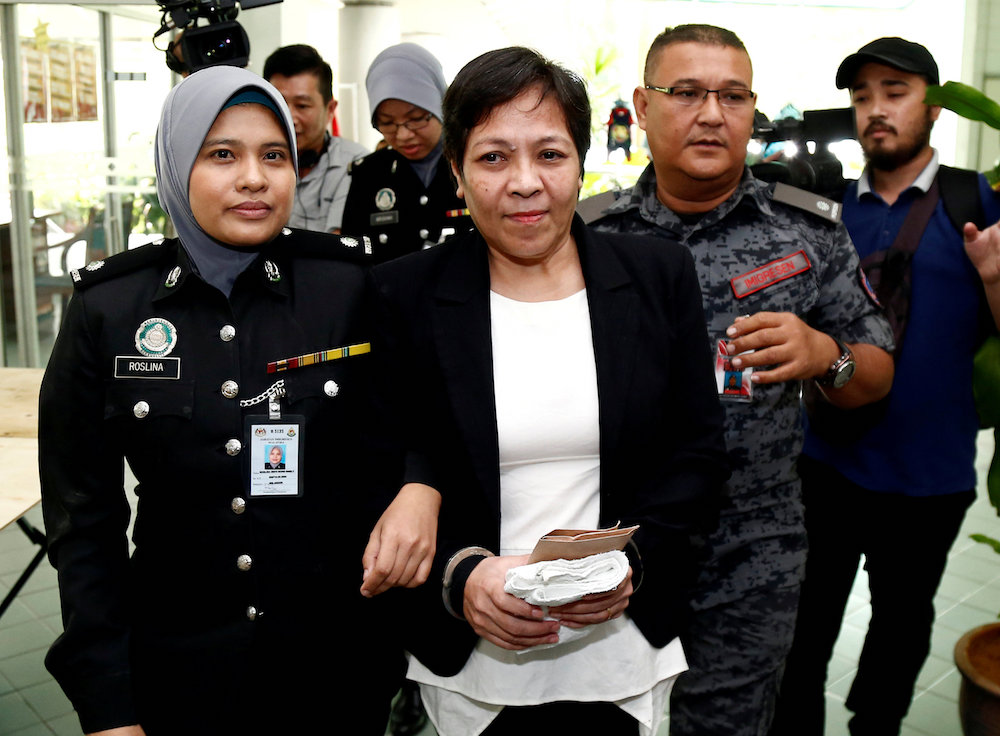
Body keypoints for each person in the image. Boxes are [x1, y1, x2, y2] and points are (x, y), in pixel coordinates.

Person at [365, 46, 729, 736]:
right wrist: (461, 574)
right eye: (494, 157)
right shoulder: (404, 293)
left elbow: (696, 456)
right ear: (457, 171)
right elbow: (382, 461)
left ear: (582, 162)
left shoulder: (656, 277)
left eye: (551, 155)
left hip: (618, 644)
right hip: (474, 658)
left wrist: (633, 561)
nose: (525, 183)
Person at [39, 65, 404, 736]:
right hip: (179, 669)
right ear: (178, 166)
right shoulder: (111, 308)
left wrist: (422, 487)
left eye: (274, 155)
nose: (254, 178)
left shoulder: (345, 288)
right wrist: (109, 704)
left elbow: (407, 433)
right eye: (222, 155)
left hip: (332, 667)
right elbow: (82, 524)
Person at [590, 24, 896, 736]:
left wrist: (826, 355)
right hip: (613, 543)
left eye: (732, 96)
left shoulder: (806, 231)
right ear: (642, 105)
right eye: (686, 92)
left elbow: (875, 372)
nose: (710, 113)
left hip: (751, 551)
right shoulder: (592, 238)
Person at [770, 37, 1000, 736]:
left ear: (930, 105)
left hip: (928, 477)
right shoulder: (828, 207)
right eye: (862, 96)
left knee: (899, 635)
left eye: (894, 92)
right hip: (825, 465)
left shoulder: (976, 200)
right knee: (802, 638)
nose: (876, 110)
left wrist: (992, 277)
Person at [341, 42, 473, 263]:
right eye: (387, 123)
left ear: (439, 107)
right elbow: (353, 255)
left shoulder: (470, 161)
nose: (403, 135)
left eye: (415, 119)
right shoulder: (369, 173)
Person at [263, 44, 367, 233]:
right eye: (279, 103)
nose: (290, 118)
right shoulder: (249, 165)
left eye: (302, 106)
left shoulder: (357, 164)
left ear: (330, 110)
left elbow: (337, 245)